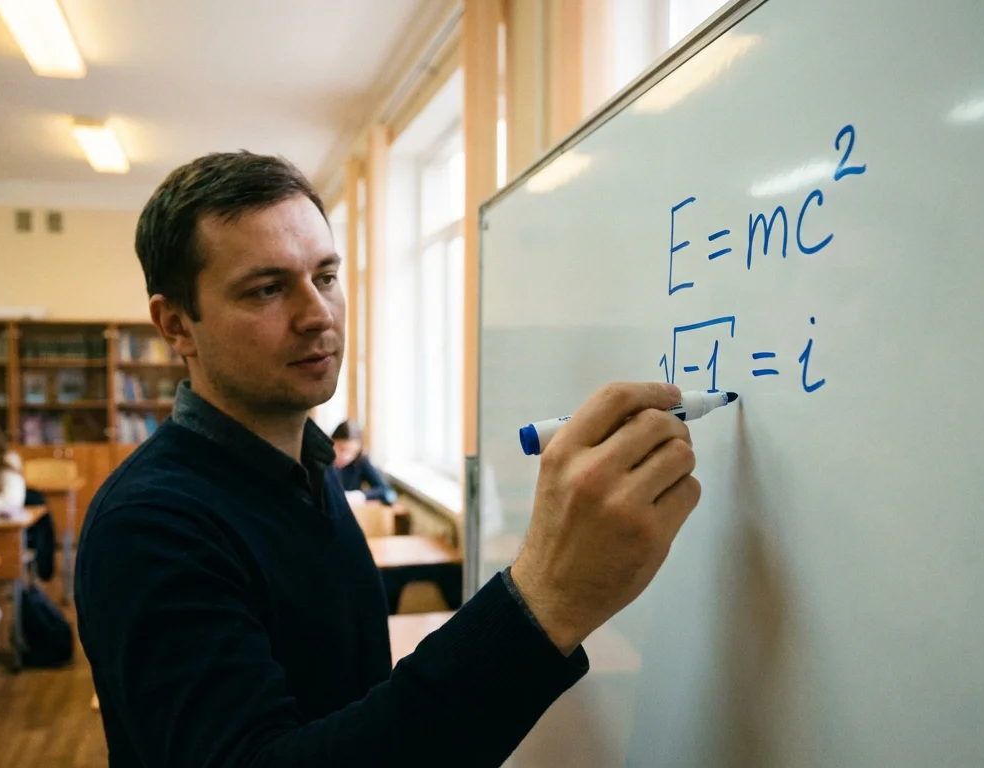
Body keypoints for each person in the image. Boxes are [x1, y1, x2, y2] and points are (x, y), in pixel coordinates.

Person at [76, 152, 701, 767]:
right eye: (266, 289)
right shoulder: (149, 526)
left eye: (325, 276)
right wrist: (544, 600)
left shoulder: (307, 470)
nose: (317, 314)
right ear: (176, 325)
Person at [330, 420, 396, 505]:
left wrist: (359, 496)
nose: (346, 457)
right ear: (331, 441)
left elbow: (388, 493)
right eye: (342, 449)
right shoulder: (319, 460)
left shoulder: (361, 461)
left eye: (353, 452)